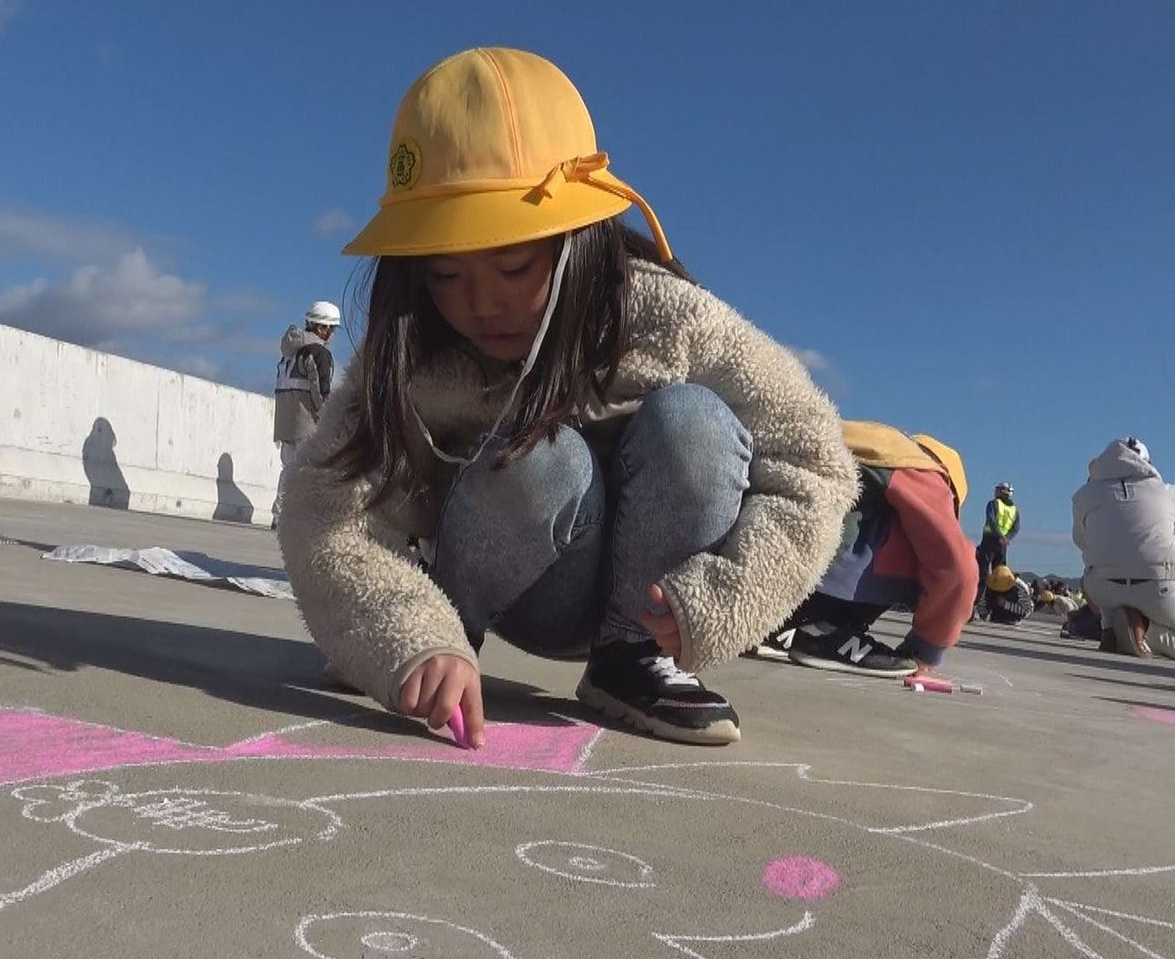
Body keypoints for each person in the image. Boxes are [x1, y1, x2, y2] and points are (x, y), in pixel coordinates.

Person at [278, 47, 858, 747]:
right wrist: (405, 632)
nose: (481, 304)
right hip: (505, 589)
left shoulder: (666, 316)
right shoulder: (416, 349)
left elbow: (817, 456)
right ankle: (448, 644)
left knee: (696, 425)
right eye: (444, 275)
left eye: (514, 264)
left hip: (651, 606)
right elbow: (319, 504)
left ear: (581, 239)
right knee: (539, 460)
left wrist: (721, 599)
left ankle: (630, 664)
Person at [751, 422, 977, 676]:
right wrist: (925, 649)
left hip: (761, 543)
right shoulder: (921, 470)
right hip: (807, 558)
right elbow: (958, 567)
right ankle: (827, 630)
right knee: (929, 549)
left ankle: (771, 622)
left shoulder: (873, 443)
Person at [1071, 437, 1175, 659]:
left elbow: (1082, 542)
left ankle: (1112, 628)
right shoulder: (1168, 493)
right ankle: (1146, 632)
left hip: (1103, 590)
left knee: (1098, 567)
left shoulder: (1084, 496)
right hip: (1159, 589)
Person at [272, 301, 339, 528]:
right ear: (322, 328)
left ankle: (279, 516)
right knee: (311, 472)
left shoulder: (288, 352)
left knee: (288, 469)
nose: (331, 334)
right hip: (307, 422)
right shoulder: (318, 353)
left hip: (285, 423)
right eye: (330, 328)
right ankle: (302, 521)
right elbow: (321, 392)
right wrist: (329, 420)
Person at [975, 481, 1019, 602]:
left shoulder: (993, 504)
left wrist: (1000, 535)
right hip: (1002, 545)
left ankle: (976, 602)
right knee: (999, 577)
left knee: (982, 572)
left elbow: (991, 520)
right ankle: (994, 604)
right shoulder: (1014, 509)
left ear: (1001, 491)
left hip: (989, 540)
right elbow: (1016, 527)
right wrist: (1007, 538)